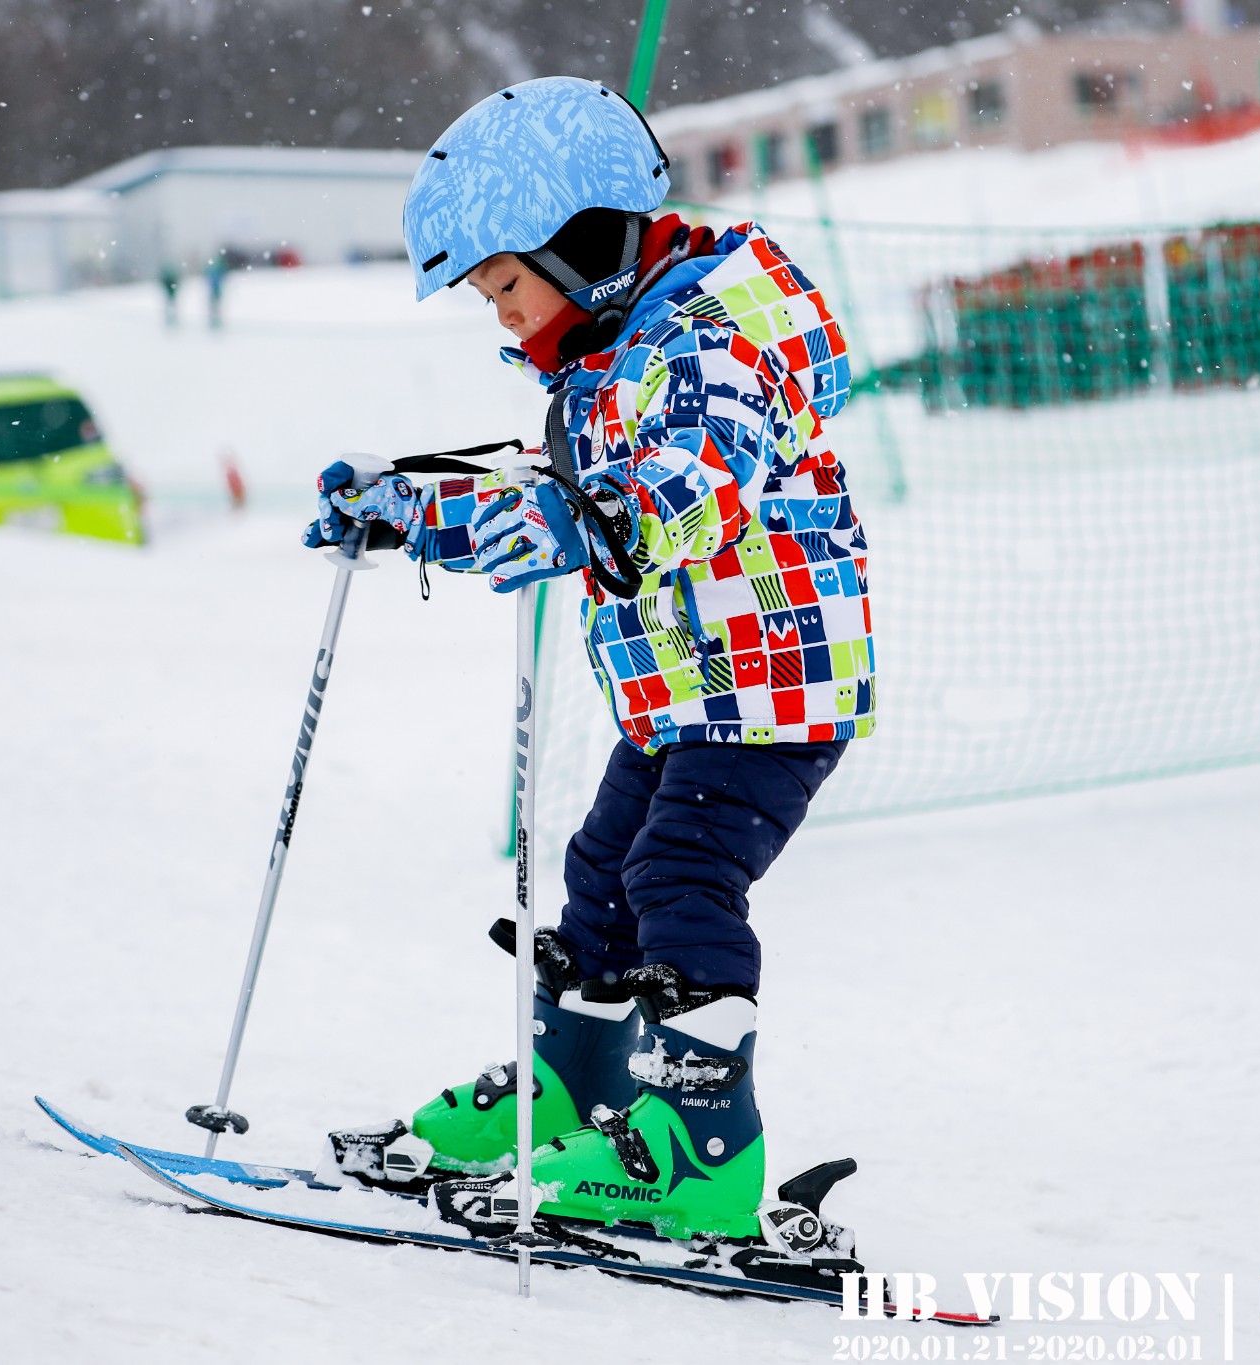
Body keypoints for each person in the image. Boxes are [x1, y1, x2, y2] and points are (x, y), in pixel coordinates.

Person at [303, 76, 875, 1248]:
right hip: (678, 694)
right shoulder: (605, 363)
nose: (499, 316)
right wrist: (408, 513)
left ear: (582, 245)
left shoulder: (711, 346)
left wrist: (595, 520)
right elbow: (550, 506)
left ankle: (700, 1153)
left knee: (676, 882)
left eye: (503, 284)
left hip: (767, 689)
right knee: (602, 880)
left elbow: (692, 482)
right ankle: (579, 1089)